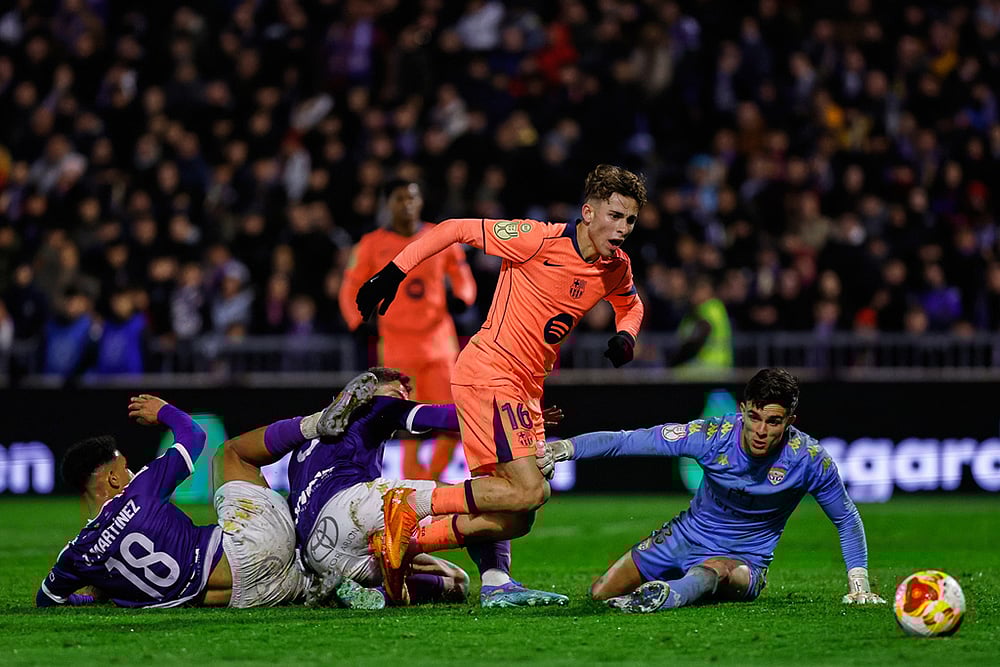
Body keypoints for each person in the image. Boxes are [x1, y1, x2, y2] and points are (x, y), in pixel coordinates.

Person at [356, 164, 647, 606]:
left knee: (516, 513)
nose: (622, 228)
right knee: (530, 489)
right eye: (614, 215)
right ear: (588, 212)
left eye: (630, 220)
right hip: (491, 372)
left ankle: (426, 554)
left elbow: (631, 304)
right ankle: (407, 503)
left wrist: (626, 335)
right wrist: (395, 270)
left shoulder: (615, 267)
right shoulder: (537, 239)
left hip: (527, 387)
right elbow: (453, 228)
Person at [536, 368, 888, 613]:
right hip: (684, 537)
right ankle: (675, 587)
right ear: (742, 411)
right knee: (600, 595)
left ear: (790, 422)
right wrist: (564, 448)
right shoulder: (711, 436)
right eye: (754, 417)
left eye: (774, 421)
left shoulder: (809, 459)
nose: (761, 430)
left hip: (744, 563)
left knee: (715, 569)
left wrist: (859, 583)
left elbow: (846, 517)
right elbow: (628, 440)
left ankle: (668, 596)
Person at [36, 392, 378, 609]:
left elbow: (48, 599)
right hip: (251, 547)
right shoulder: (140, 490)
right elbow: (194, 434)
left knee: (309, 574)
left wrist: (99, 594)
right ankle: (315, 424)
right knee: (231, 454)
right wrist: (164, 411)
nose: (131, 472)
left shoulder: (79, 554)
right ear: (112, 478)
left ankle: (405, 585)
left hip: (244, 598)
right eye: (125, 468)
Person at [222, 368, 473, 606]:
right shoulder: (374, 407)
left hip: (317, 556)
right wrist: (492, 412)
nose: (402, 402)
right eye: (397, 394)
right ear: (367, 391)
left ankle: (364, 594)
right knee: (468, 499)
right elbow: (444, 416)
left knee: (457, 582)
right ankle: (498, 581)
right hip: (346, 511)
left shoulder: (306, 445)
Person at [338, 178, 477, 481]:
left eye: (412, 198)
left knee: (456, 419)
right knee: (405, 424)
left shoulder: (438, 237)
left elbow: (462, 273)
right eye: (400, 199)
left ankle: (431, 477)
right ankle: (417, 486)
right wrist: (355, 322)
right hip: (399, 349)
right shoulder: (372, 244)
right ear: (389, 204)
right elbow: (350, 286)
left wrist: (463, 299)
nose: (407, 204)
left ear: (421, 201)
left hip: (439, 345)